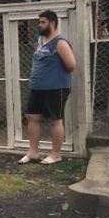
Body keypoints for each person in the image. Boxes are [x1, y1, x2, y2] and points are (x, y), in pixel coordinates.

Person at [19, 10, 76, 166]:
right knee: (32, 118)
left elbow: (71, 65)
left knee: (54, 120)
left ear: (52, 23)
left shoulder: (60, 42)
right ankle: (33, 152)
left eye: (43, 22)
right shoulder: (40, 40)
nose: (40, 25)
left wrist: (53, 73)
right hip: (37, 88)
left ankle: (56, 154)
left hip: (56, 88)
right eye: (39, 22)